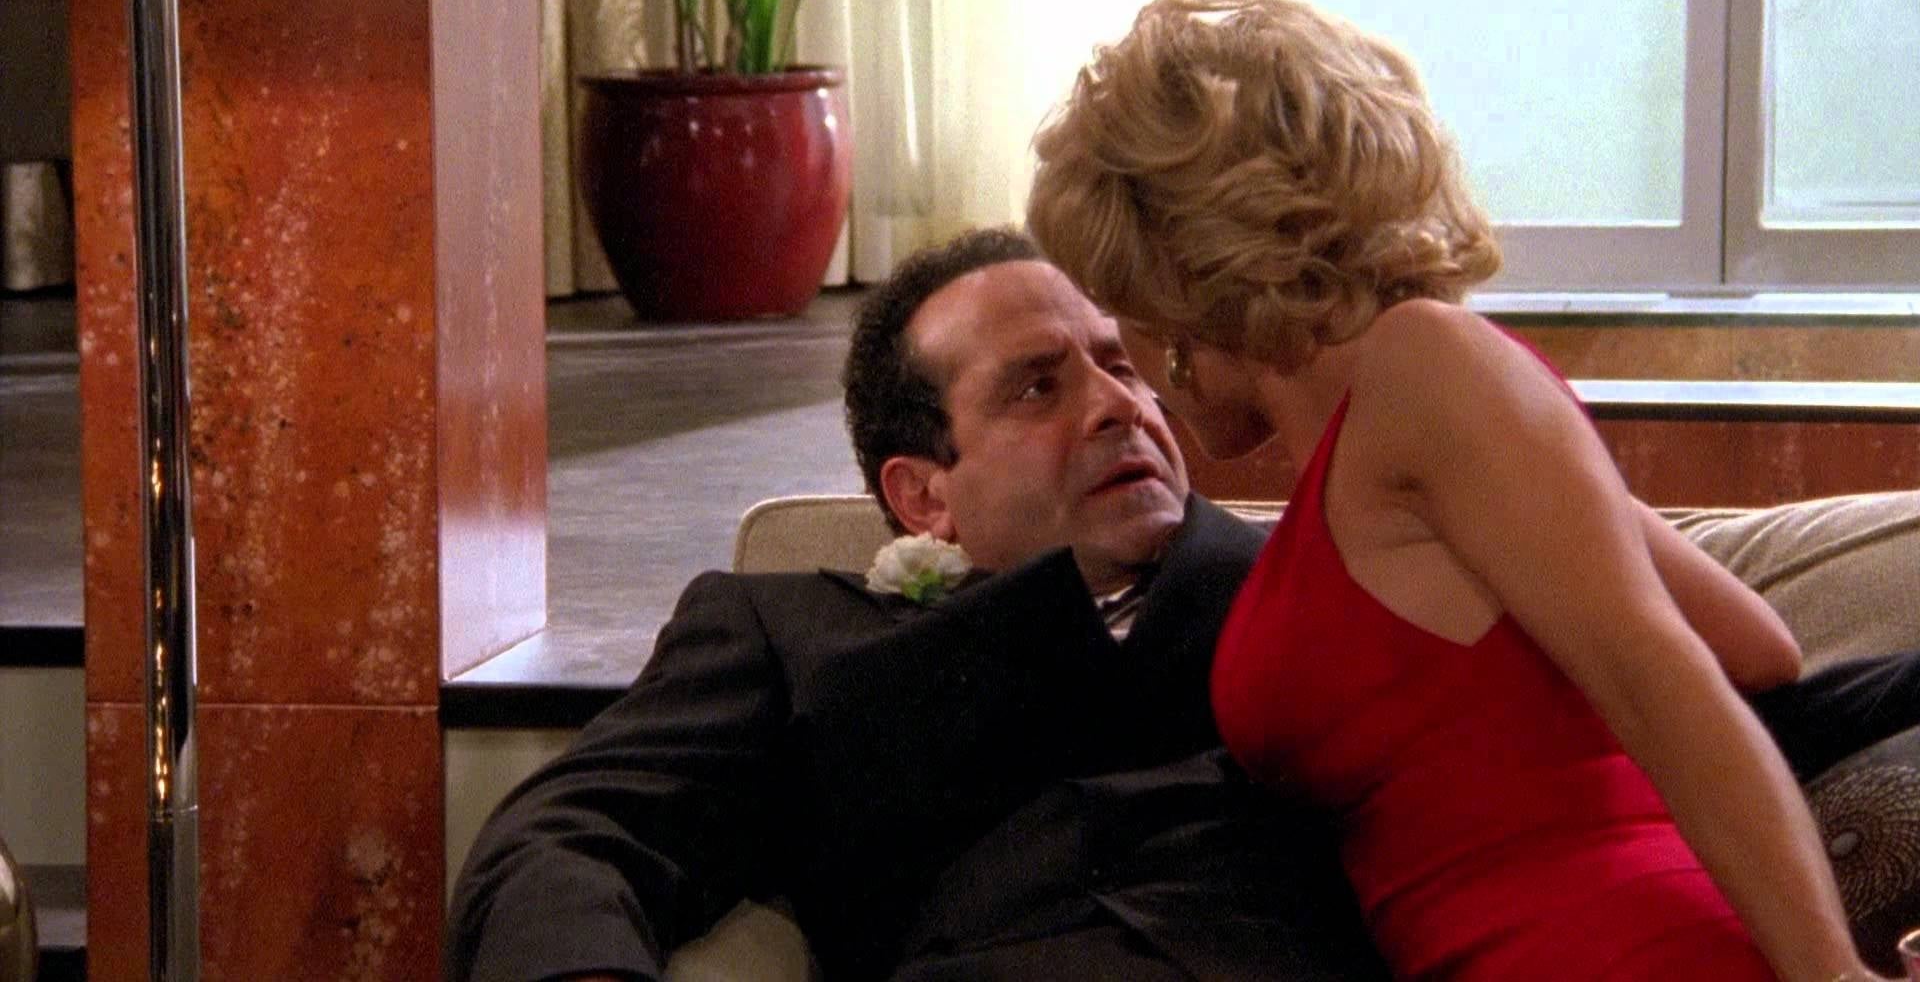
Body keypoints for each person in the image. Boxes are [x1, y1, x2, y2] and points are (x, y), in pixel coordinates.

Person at [447, 228, 1917, 982]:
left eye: (1123, 362)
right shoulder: (793, 629)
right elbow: (573, 833)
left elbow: (1683, 712)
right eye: (1039, 387)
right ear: (922, 495)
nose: (1119, 405)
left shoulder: (1330, 598)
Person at [1026, 0, 1891, 981]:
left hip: (1609, 945)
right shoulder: (1400, 444)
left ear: (1173, 297)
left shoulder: (1425, 368)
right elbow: (1754, 644)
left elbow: (1666, 675)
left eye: (1119, 309)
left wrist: (1831, 974)